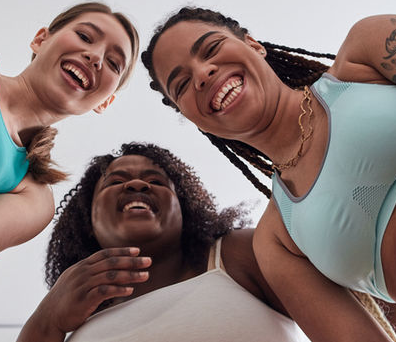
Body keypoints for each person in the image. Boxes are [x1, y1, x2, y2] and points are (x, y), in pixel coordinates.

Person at [141, 7, 396, 341]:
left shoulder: (363, 55)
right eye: (181, 84)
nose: (202, 74)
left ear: (254, 45)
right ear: (191, 117)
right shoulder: (276, 242)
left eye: (210, 49)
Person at [0, 0, 139, 317]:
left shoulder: (29, 194)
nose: (96, 57)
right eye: (85, 37)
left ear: (106, 102)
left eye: (114, 63)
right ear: (41, 39)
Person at [16, 142, 314, 342]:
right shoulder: (72, 324)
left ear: (185, 211)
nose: (137, 184)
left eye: (156, 181)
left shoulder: (238, 255)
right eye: (116, 182)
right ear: (88, 223)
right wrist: (48, 319)